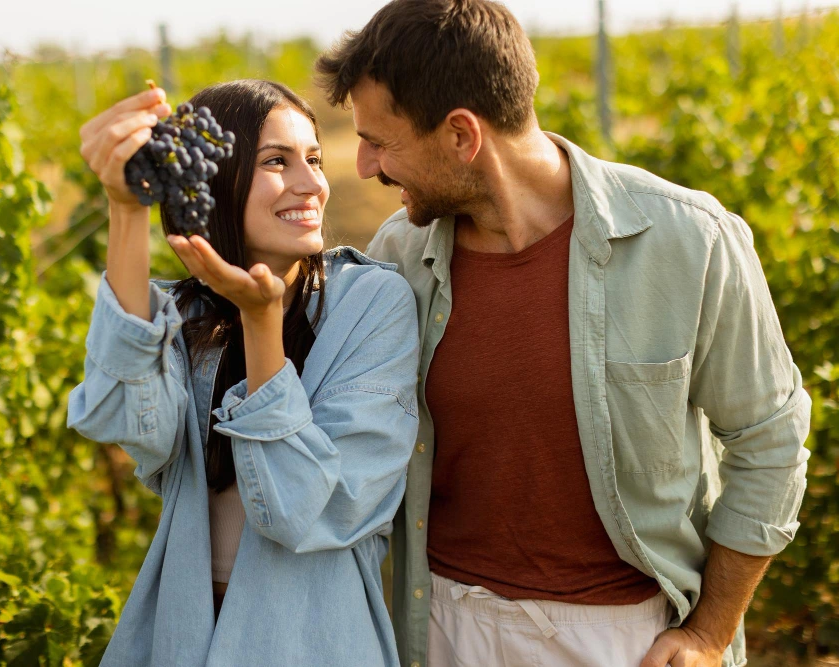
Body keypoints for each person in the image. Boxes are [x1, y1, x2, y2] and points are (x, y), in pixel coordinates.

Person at [314, 1, 813, 666]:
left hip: (623, 638)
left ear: (463, 136)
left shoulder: (690, 241)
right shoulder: (397, 258)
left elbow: (770, 440)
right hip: (442, 626)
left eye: (381, 140)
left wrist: (708, 631)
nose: (366, 166)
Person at [67, 79, 420, 666]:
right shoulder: (191, 317)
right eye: (277, 162)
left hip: (313, 643)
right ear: (216, 180)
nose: (311, 183)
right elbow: (127, 421)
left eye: (313, 158)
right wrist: (126, 207)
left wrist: (262, 324)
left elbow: (297, 509)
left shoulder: (371, 304)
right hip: (183, 636)